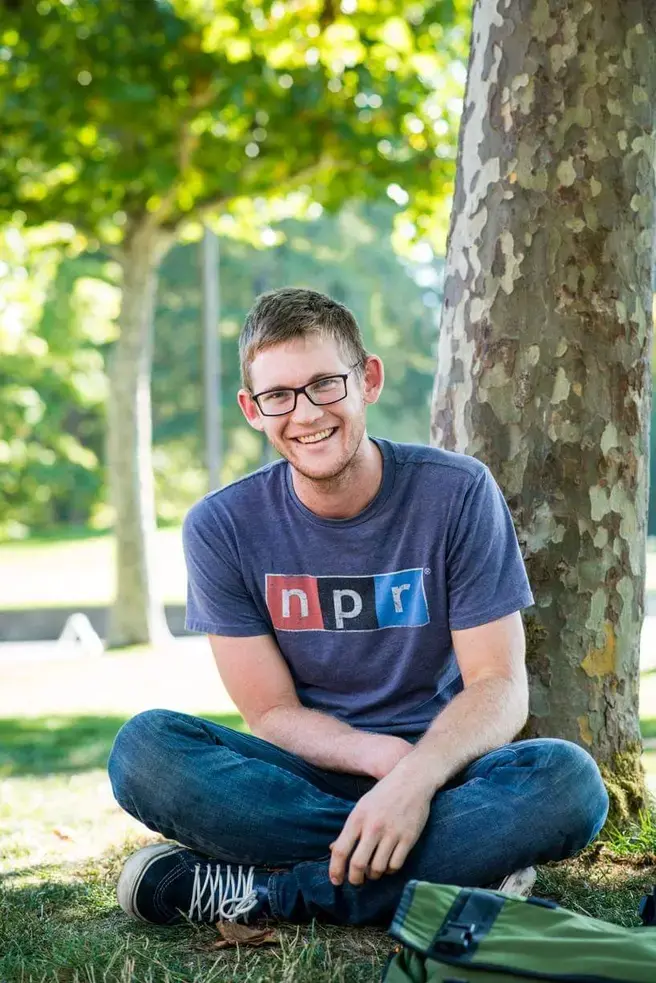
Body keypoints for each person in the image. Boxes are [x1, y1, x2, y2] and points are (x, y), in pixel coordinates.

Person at [108, 287, 609, 929]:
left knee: (565, 783)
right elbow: (270, 710)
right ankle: (459, 864)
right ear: (252, 410)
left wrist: (416, 779)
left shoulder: (456, 493)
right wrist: (380, 762)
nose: (305, 413)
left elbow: (500, 685)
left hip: (447, 771)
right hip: (306, 779)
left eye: (324, 384)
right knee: (144, 749)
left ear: (366, 380)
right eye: (278, 396)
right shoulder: (221, 525)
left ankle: (270, 896)